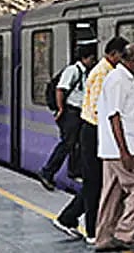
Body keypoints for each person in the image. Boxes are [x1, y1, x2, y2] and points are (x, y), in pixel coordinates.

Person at [52, 36, 127, 243]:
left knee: (95, 181)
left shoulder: (105, 71)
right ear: (114, 54)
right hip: (94, 130)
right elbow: (97, 108)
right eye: (123, 56)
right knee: (94, 182)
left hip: (93, 130)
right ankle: (92, 230)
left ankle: (69, 218)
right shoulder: (104, 74)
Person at [94, 42, 134, 253]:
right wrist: (124, 152)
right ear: (133, 59)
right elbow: (114, 116)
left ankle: (103, 238)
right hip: (123, 148)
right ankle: (124, 233)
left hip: (113, 148)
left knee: (111, 194)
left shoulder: (122, 79)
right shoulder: (119, 80)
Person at [39, 45, 96, 190]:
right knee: (67, 143)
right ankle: (47, 172)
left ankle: (75, 171)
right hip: (70, 112)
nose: (93, 61)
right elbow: (60, 89)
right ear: (85, 58)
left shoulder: (85, 72)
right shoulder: (73, 71)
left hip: (79, 112)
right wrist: (60, 109)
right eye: (91, 58)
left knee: (78, 142)